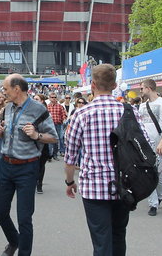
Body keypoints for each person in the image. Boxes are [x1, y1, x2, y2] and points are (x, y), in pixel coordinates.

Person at [64, 64, 142, 256]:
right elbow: (143, 146)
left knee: (101, 240)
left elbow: (70, 155)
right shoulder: (130, 111)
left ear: (92, 85)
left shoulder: (82, 114)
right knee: (118, 235)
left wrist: (70, 181)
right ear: (115, 85)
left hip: (94, 186)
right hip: (123, 184)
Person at [0, 74, 58, 256]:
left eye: (5, 89)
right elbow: (7, 134)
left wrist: (37, 135)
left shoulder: (38, 109)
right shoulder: (8, 108)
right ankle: (14, 241)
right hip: (5, 164)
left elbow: (53, 137)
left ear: (16, 89)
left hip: (27, 168)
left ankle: (24, 252)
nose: (4, 93)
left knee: (24, 218)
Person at [139, 79, 162, 216]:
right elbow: (141, 126)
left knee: (160, 172)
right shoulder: (142, 106)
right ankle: (153, 204)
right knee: (149, 172)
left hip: (161, 142)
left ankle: (160, 195)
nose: (141, 91)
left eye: (142, 88)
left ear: (148, 88)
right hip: (147, 144)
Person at [46, 92, 68, 161]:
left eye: (55, 97)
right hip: (50, 125)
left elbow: (64, 114)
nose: (54, 99)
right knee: (49, 140)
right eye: (52, 97)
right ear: (49, 98)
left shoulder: (60, 106)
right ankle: (49, 155)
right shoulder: (47, 107)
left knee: (57, 139)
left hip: (58, 124)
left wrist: (64, 119)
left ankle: (55, 154)